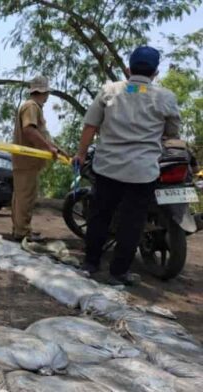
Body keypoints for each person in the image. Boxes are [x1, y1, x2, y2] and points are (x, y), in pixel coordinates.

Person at [74, 46, 181, 286]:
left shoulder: (109, 90)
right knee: (132, 222)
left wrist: (81, 154)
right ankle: (118, 273)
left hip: (107, 168)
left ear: (128, 69)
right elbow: (172, 131)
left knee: (100, 216)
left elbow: (90, 125)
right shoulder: (165, 97)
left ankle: (90, 265)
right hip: (142, 173)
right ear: (155, 72)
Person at [11, 75, 62, 242]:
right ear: (44, 92)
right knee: (25, 197)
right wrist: (49, 148)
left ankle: (20, 229)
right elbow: (29, 130)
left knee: (22, 196)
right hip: (27, 161)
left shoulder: (32, 107)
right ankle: (22, 232)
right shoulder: (31, 106)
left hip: (27, 161)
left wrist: (55, 148)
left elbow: (38, 133)